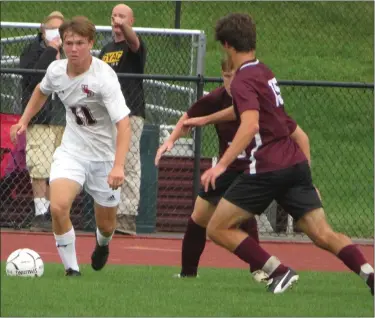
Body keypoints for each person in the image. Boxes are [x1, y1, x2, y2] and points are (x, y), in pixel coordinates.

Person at [193, 13, 373, 295]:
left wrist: (221, 165)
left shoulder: (241, 81)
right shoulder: (264, 72)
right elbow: (293, 130)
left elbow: (250, 123)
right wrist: (308, 179)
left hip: (266, 167)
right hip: (295, 163)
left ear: (227, 45)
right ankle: (370, 276)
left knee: (216, 228)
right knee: (323, 234)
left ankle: (279, 271)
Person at [156, 58, 310, 282]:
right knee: (199, 215)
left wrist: (307, 179)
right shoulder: (218, 98)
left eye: (235, 76)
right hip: (227, 169)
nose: (231, 81)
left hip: (257, 167)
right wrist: (170, 140)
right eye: (226, 76)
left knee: (241, 216)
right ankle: (188, 273)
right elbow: (188, 118)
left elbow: (299, 136)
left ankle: (264, 270)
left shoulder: (257, 100)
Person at [10, 16, 132, 277]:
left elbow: (124, 124)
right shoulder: (56, 70)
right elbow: (41, 91)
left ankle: (102, 244)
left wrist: (119, 165)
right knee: (58, 206)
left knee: (107, 225)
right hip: (72, 151)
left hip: (104, 158)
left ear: (90, 43)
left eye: (79, 43)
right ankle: (71, 269)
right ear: (62, 44)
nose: (73, 48)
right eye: (68, 43)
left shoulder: (104, 77)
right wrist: (24, 120)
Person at [99, 3, 147, 235]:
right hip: (107, 115)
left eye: (122, 17)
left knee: (128, 162)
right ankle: (107, 213)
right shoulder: (106, 49)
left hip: (129, 113)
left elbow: (134, 42)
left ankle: (126, 217)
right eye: (114, 16)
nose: (116, 20)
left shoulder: (135, 46)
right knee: (107, 162)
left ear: (131, 21)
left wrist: (124, 27)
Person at [19, 11, 66, 232]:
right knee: (39, 165)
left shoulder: (70, 53)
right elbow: (33, 77)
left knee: (59, 168)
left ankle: (55, 211)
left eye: (61, 31)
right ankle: (41, 213)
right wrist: (50, 50)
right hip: (41, 118)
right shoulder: (32, 51)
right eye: (52, 30)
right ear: (43, 29)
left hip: (63, 119)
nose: (57, 36)